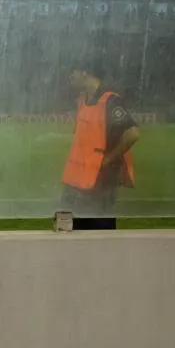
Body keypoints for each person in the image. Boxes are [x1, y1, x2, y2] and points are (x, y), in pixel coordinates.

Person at [60, 67, 141, 230]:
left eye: (73, 72)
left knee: (96, 232)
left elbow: (132, 133)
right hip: (78, 179)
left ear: (84, 73)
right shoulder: (83, 100)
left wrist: (107, 159)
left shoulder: (110, 101)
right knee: (68, 226)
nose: (70, 77)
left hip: (100, 181)